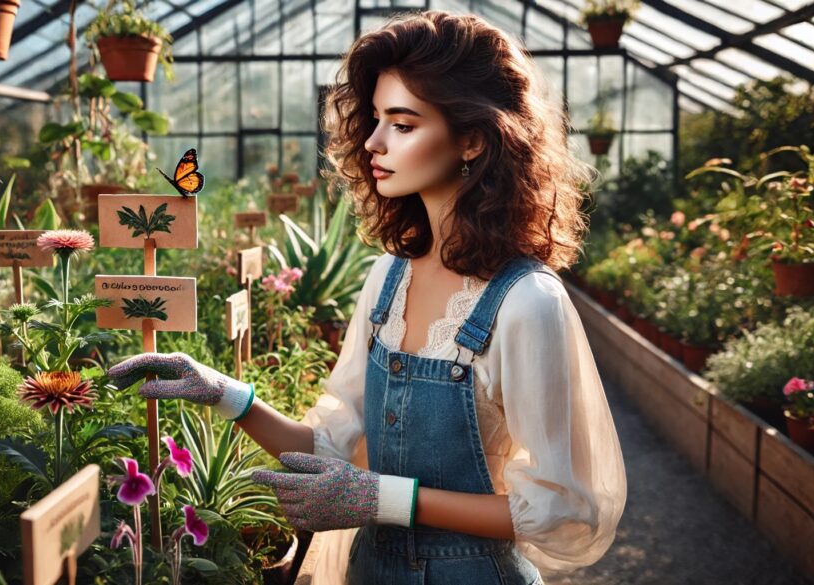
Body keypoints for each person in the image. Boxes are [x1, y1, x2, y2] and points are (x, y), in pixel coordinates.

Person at [108, 10, 626, 584]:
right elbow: (331, 446)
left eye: (403, 125)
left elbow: (563, 510)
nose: (374, 142)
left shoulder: (526, 301)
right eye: (376, 118)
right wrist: (231, 397)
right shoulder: (388, 278)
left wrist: (386, 499)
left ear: (474, 139)